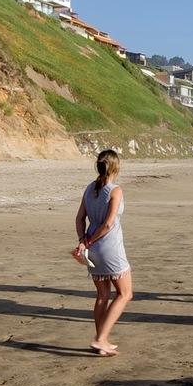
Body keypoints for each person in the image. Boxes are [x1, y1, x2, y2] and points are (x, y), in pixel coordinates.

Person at [71, 149, 133, 356]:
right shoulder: (115, 190)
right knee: (125, 293)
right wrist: (87, 240)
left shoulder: (90, 188)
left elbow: (79, 219)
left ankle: (103, 341)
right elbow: (108, 224)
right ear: (116, 167)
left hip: (92, 250)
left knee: (102, 295)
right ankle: (100, 339)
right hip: (109, 248)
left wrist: (83, 241)